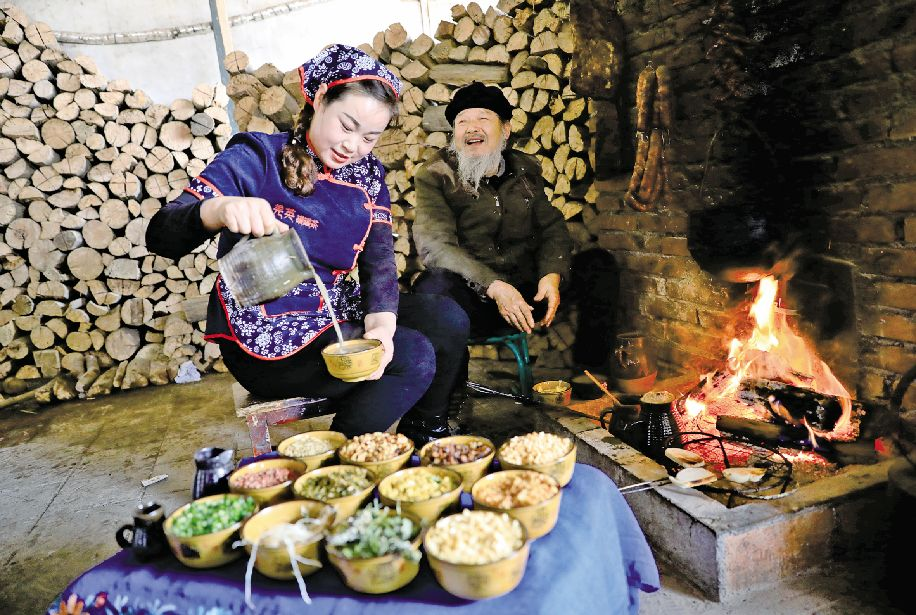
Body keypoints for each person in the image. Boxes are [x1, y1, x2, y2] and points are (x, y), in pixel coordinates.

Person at [146, 44, 467, 445]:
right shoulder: (258, 155)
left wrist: (381, 328)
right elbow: (160, 234)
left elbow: (379, 262)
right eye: (347, 126)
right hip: (266, 334)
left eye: (370, 137)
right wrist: (218, 209)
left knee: (447, 319)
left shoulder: (366, 176)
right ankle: (338, 465)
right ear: (318, 100)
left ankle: (424, 434)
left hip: (331, 310)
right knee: (413, 355)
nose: (353, 147)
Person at [411, 82, 573, 383]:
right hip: (475, 303)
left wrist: (552, 274)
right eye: (462, 122)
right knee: (432, 289)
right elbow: (436, 246)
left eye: (483, 118)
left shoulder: (525, 170)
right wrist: (493, 286)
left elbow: (552, 227)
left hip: (527, 295)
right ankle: (448, 394)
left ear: (506, 129)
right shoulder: (435, 175)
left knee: (599, 265)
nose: (472, 128)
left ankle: (593, 380)